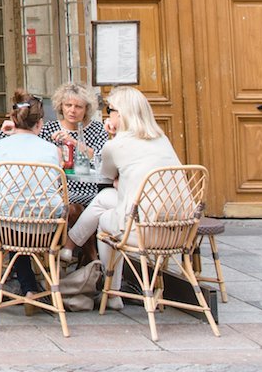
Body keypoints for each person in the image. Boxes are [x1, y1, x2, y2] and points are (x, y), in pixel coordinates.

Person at [62, 86, 182, 309]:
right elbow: (112, 184)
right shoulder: (162, 139)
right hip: (180, 229)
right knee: (107, 197)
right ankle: (72, 247)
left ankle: (111, 291)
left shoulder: (114, 144)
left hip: (143, 230)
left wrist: (112, 137)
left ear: (121, 114)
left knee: (105, 217)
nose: (108, 114)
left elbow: (106, 175)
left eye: (111, 110)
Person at [0, 91, 63, 302]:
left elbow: (2, 181)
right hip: (48, 229)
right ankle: (30, 291)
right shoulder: (54, 150)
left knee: (10, 213)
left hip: (7, 228)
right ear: (40, 123)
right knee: (21, 213)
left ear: (13, 119)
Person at [0, 81, 109, 210]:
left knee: (77, 208)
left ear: (86, 109)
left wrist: (74, 142)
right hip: (56, 191)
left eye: (78, 106)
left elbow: (100, 158)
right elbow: (14, 136)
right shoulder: (49, 127)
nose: (72, 110)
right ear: (60, 106)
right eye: (68, 105)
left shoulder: (96, 128)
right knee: (70, 208)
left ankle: (75, 242)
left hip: (87, 189)